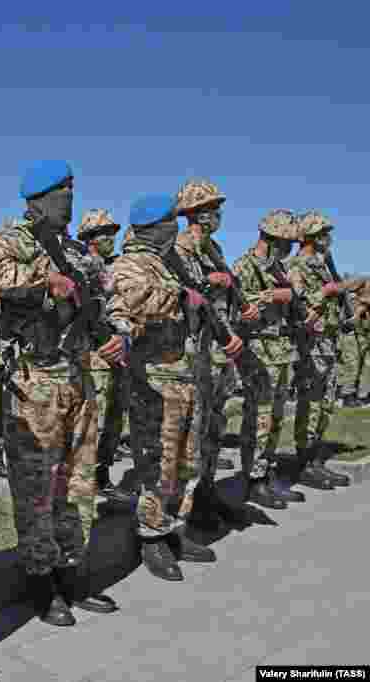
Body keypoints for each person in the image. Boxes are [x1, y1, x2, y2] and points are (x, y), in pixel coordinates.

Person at [0, 160, 124, 625]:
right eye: (61, 190)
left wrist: (117, 333)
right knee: (38, 489)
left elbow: (106, 303)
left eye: (72, 188)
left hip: (80, 379)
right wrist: (43, 283)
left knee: (80, 485)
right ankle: (41, 581)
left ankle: (71, 571)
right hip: (33, 380)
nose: (69, 198)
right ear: (39, 196)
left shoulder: (82, 254)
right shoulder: (13, 242)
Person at [106, 194, 243, 582]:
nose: (176, 229)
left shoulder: (170, 262)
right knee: (158, 463)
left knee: (188, 459)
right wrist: (182, 296)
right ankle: (151, 537)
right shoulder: (131, 263)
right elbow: (127, 306)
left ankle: (175, 530)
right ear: (158, 226)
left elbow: (202, 303)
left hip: (187, 374)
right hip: (156, 381)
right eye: (170, 222)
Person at [173, 178, 255, 530]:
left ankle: (206, 493)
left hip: (221, 354)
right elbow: (180, 296)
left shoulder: (214, 249)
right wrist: (213, 283)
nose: (218, 215)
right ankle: (183, 511)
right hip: (195, 354)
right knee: (190, 433)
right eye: (212, 209)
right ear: (196, 214)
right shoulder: (178, 249)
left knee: (214, 428)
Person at [231, 209, 305, 507]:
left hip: (281, 350)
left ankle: (266, 472)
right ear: (269, 238)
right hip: (259, 352)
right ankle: (252, 479)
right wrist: (273, 296)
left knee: (275, 418)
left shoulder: (278, 268)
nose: (289, 249)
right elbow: (237, 307)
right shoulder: (244, 265)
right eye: (285, 242)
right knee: (257, 419)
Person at [285, 211, 351, 488]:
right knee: (310, 403)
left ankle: (315, 460)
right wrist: (325, 293)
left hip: (328, 341)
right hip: (311, 344)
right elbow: (296, 306)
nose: (329, 239)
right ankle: (304, 462)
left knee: (324, 403)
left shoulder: (323, 264)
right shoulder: (297, 265)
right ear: (313, 236)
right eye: (325, 233)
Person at [77, 209, 133, 508]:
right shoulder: (84, 265)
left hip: (118, 353)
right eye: (104, 233)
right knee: (94, 421)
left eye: (113, 233)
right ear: (89, 239)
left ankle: (102, 476)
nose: (111, 238)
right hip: (95, 353)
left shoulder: (114, 266)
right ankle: (85, 480)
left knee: (114, 419)